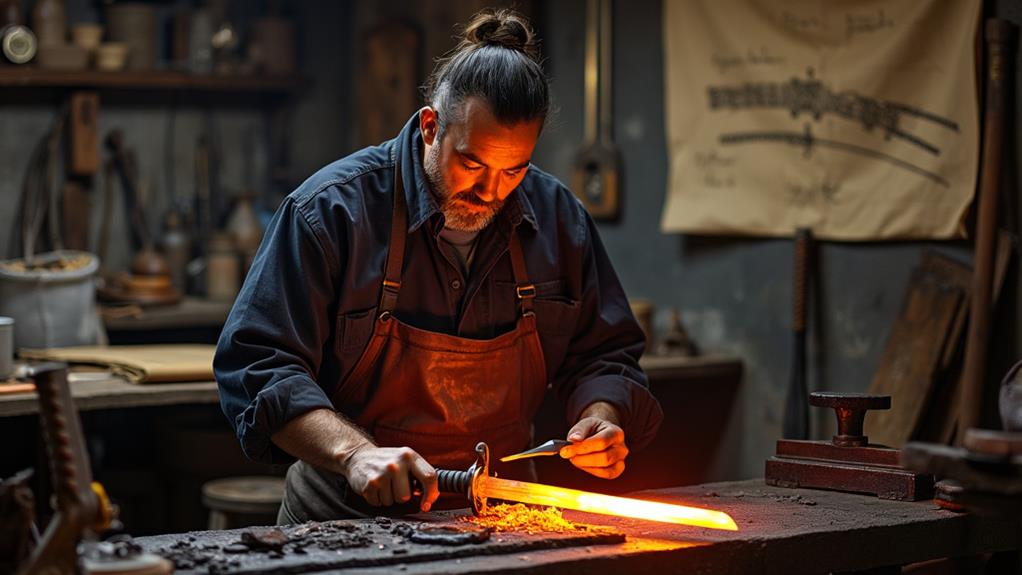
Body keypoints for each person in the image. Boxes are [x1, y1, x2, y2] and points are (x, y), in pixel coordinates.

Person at [214, 8, 663, 524]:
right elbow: (258, 364)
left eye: (513, 170)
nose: (491, 192)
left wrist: (599, 418)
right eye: (471, 164)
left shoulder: (559, 219)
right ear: (431, 127)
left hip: (503, 519)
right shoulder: (331, 211)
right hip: (345, 521)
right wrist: (355, 454)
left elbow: (605, 354)